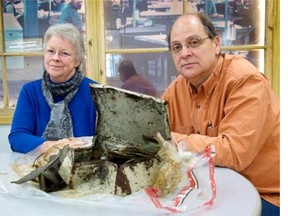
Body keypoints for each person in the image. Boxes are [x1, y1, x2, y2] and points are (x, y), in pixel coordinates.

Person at [163, 13, 279, 215]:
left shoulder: (246, 81)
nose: (185, 53)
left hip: (265, 195)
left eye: (194, 42)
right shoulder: (176, 90)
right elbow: (151, 133)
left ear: (216, 44)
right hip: (211, 189)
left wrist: (172, 140)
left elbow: (234, 152)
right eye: (177, 47)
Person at [9, 23, 97, 154]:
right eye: (51, 51)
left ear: (78, 60)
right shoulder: (30, 91)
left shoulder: (95, 93)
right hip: (39, 168)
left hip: (84, 168)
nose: (55, 58)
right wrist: (51, 146)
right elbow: (17, 137)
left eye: (64, 53)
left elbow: (107, 141)